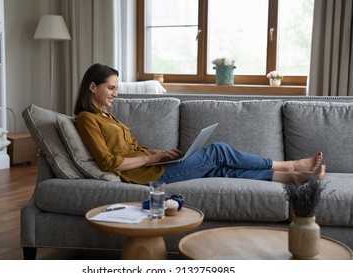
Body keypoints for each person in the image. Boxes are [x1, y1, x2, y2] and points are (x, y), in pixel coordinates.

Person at [74, 63, 326, 185]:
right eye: (111, 88)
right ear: (92, 86)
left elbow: (132, 147)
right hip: (145, 176)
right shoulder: (87, 119)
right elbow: (109, 162)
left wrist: (160, 154)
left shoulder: (108, 116)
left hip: (156, 166)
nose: (115, 93)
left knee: (221, 171)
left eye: (116, 88)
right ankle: (291, 165)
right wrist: (153, 160)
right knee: (218, 151)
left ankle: (293, 178)